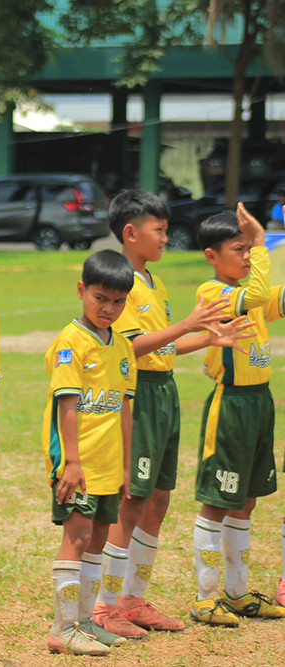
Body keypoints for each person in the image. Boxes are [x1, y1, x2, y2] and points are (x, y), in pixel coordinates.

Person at [92, 190, 256, 638]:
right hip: (138, 395)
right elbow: (127, 346)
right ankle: (105, 606)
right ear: (131, 233)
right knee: (131, 501)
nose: (166, 238)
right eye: (159, 230)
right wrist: (186, 324)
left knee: (158, 499)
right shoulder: (119, 281)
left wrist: (206, 338)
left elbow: (162, 344)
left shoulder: (154, 282)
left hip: (164, 391)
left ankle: (133, 598)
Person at [188, 204, 285, 627]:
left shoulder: (250, 289)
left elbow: (273, 299)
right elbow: (261, 295)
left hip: (261, 401)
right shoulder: (215, 292)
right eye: (238, 249)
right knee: (217, 502)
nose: (246, 257)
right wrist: (264, 243)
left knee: (245, 502)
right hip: (231, 404)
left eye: (249, 250)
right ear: (212, 255)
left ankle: (237, 591)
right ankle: (205, 596)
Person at [42, 249, 137, 656]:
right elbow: (68, 405)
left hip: (109, 463)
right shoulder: (70, 342)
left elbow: (125, 411)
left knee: (98, 537)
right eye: (101, 298)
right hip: (77, 462)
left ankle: (86, 622)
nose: (109, 308)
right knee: (77, 536)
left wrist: (127, 465)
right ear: (82, 290)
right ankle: (63, 628)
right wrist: (73, 462)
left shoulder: (124, 348)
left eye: (118, 301)